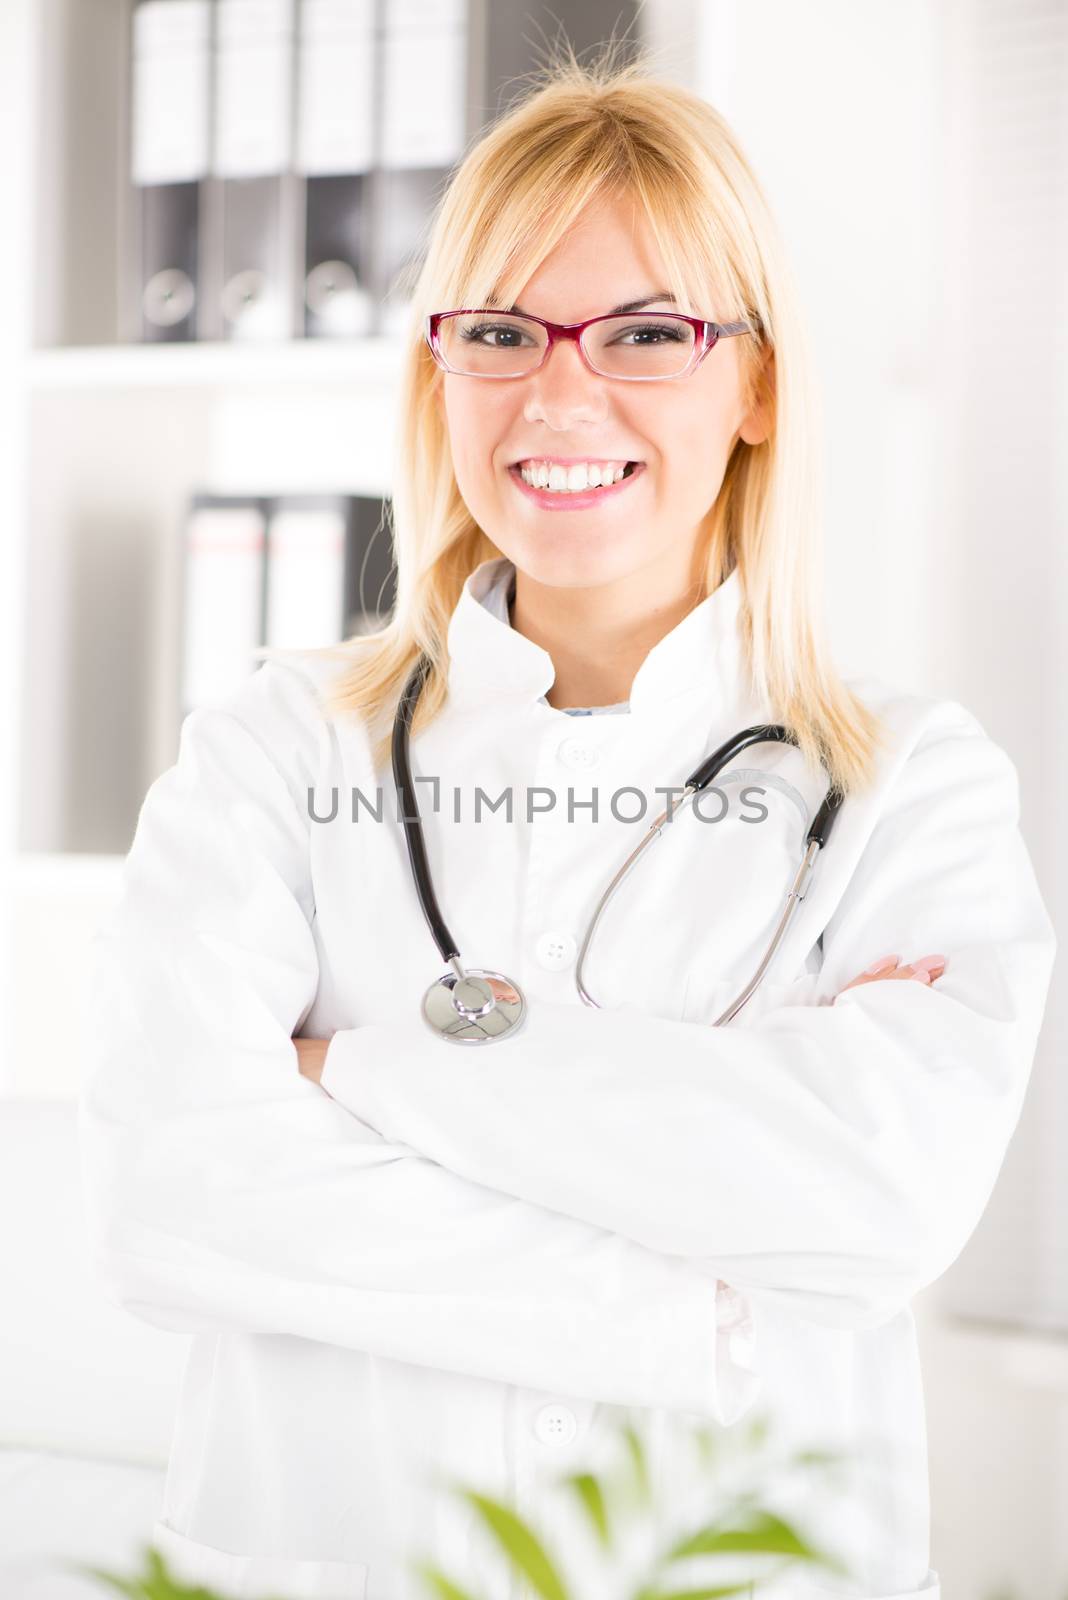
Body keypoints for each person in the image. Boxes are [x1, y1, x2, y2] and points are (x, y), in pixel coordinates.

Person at [79, 44, 1055, 1600]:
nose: (559, 390)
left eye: (648, 332)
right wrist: (700, 1302)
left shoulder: (911, 789)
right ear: (438, 372)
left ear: (756, 385)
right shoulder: (270, 749)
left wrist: (360, 1073)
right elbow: (173, 1198)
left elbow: (883, 1205)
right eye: (500, 330)